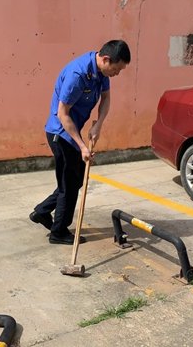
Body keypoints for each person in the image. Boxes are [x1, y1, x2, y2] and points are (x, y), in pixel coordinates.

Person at [30, 40, 131, 245]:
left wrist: (98, 125)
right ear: (106, 59)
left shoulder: (101, 73)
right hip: (61, 133)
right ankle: (59, 232)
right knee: (69, 184)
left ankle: (41, 212)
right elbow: (62, 114)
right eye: (117, 69)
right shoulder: (77, 75)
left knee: (73, 181)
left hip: (73, 133)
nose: (117, 74)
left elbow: (106, 99)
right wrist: (82, 146)